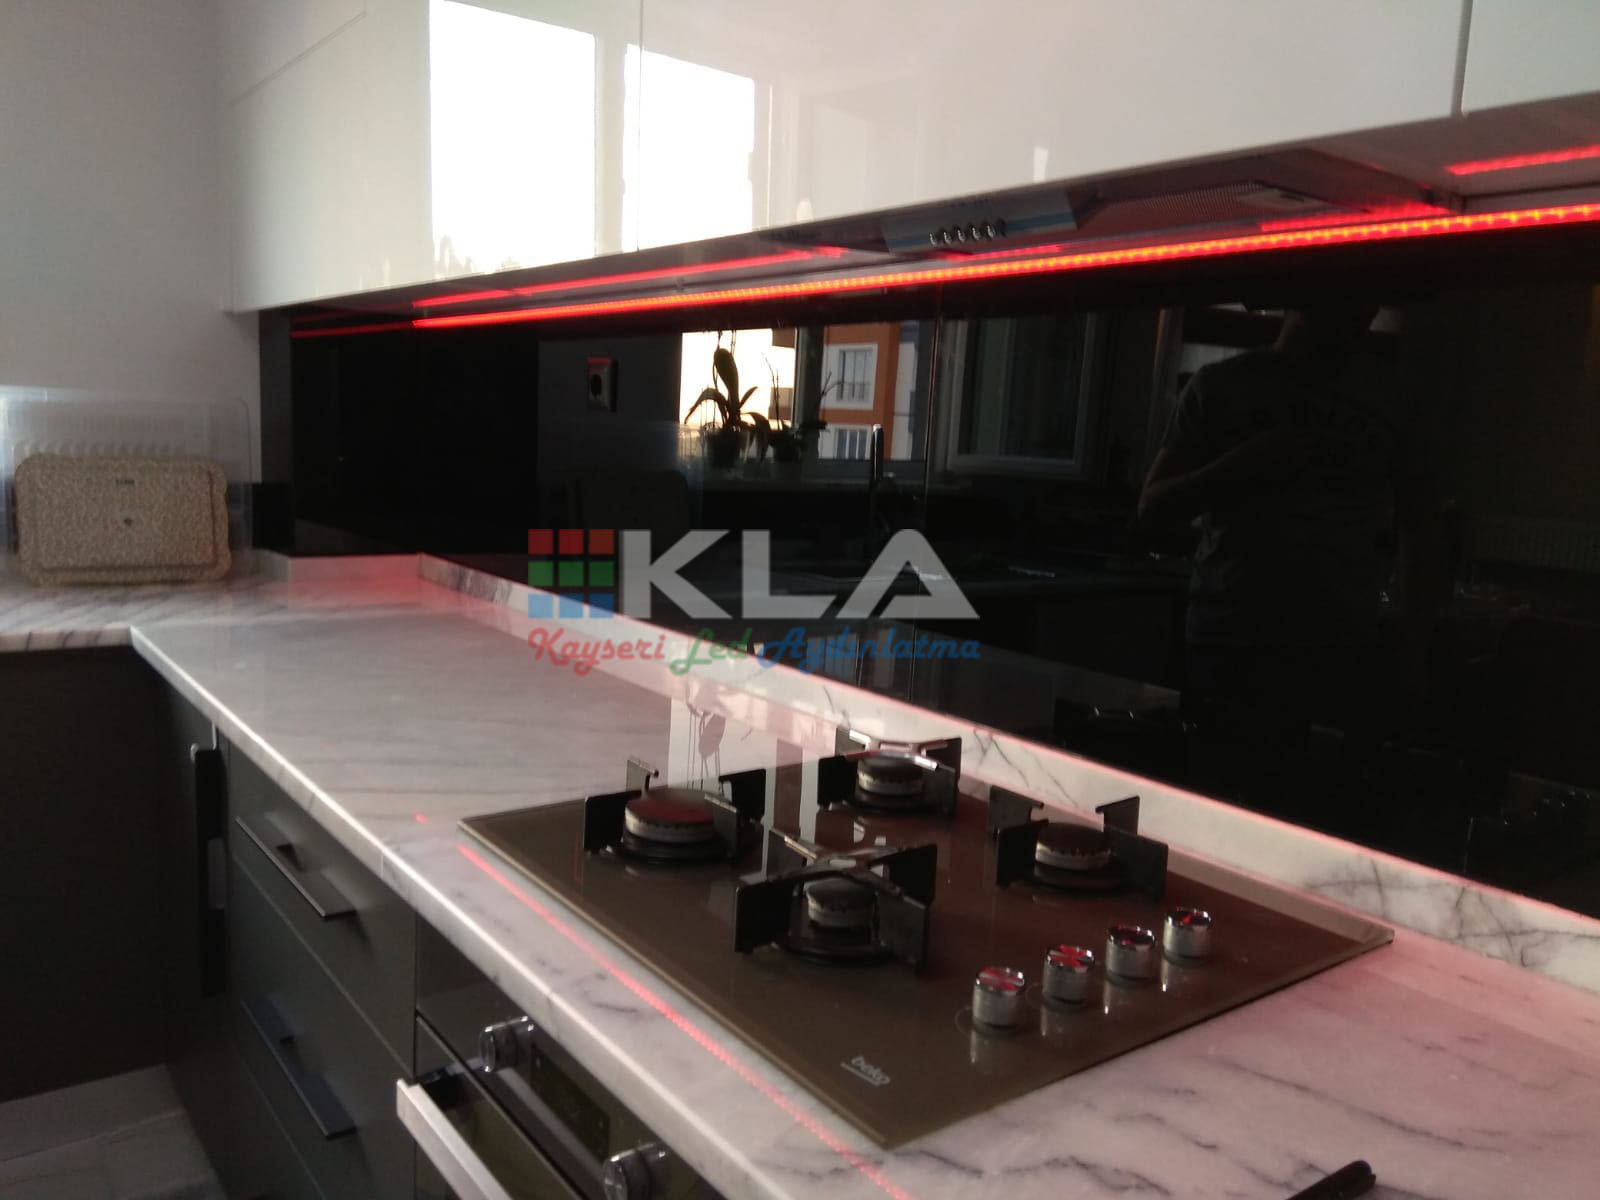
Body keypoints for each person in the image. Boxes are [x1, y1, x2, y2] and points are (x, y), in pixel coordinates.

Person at [1138, 302, 1432, 820]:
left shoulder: (1393, 400)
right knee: (1220, 811)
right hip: (1231, 644)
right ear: (1301, 296)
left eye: (1364, 308)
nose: (1357, 320)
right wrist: (1239, 467)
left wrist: (1412, 646)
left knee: (1314, 815)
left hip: (1335, 649)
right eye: (1344, 304)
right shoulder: (1220, 387)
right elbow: (1152, 509)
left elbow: (1421, 528)